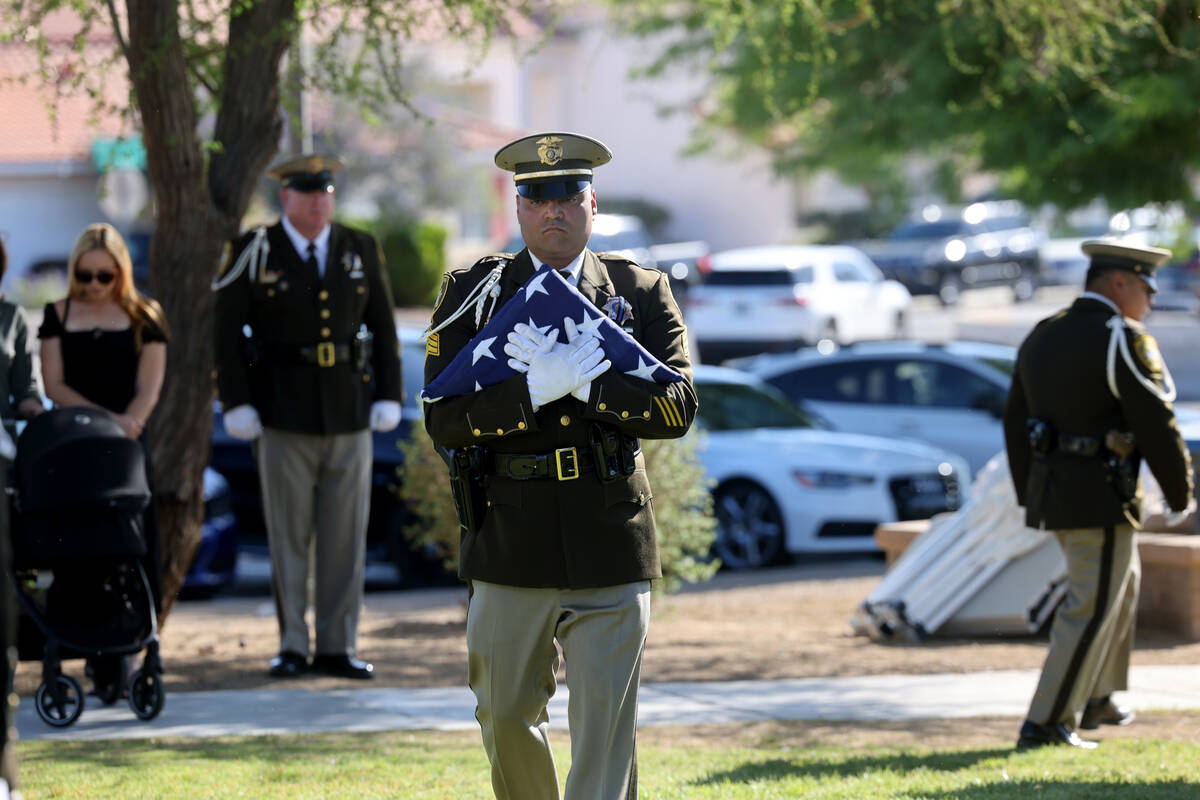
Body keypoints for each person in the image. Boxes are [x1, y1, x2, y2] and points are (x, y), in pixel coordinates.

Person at [423, 132, 697, 800]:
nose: (554, 209)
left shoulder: (639, 290)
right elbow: (443, 417)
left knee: (606, 728)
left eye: (568, 194)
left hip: (610, 532)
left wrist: (589, 387)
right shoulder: (473, 292)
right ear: (518, 208)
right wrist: (529, 393)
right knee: (504, 713)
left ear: (591, 203)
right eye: (537, 195)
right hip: (510, 536)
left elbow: (679, 406)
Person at [213, 153, 403, 680]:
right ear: (286, 199)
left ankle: (338, 645)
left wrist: (389, 393)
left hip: (349, 410)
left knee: (345, 536)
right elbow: (225, 335)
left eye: (327, 193)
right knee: (289, 535)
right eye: (308, 193)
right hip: (281, 412)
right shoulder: (254, 250)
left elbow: (384, 328)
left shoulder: (358, 247)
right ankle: (293, 643)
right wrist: (237, 402)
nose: (320, 202)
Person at [1003, 239, 1194, 750]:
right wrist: (1181, 494)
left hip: (1056, 494)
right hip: (1100, 495)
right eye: (1145, 288)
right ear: (1118, 283)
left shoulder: (1044, 334)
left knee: (1121, 584)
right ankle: (1046, 722)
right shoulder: (1120, 338)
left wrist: (1030, 494)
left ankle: (1098, 696)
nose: (1150, 300)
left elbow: (1015, 422)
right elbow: (1157, 422)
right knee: (1088, 606)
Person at [37, 222, 170, 701]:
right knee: (80, 552)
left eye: (104, 276)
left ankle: (132, 654)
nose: (93, 284)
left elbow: (149, 388)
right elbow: (54, 386)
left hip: (128, 450)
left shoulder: (145, 316)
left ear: (121, 274)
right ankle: (88, 655)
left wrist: (127, 423)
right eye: (85, 274)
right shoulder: (56, 315)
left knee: (132, 547)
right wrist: (102, 421)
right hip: (75, 449)